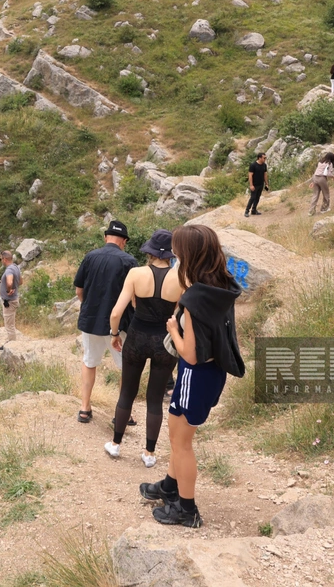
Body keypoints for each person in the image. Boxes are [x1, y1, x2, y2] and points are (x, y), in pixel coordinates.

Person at [140, 225, 245, 528]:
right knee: (178, 437)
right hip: (211, 374)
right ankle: (169, 487)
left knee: (181, 443)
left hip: (195, 375)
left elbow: (190, 354)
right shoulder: (219, 286)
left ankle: (187, 510)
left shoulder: (196, 299)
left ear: (189, 255)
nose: (174, 257)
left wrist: (173, 329)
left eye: (177, 252)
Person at [105, 229, 182, 468]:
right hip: (164, 341)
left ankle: (116, 444)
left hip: (137, 337)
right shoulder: (181, 278)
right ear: (170, 254)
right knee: (155, 398)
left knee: (127, 392)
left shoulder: (136, 273)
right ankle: (149, 453)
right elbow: (181, 313)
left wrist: (115, 334)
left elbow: (116, 313)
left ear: (150, 251)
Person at [73, 220, 138, 423]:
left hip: (91, 321)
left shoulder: (90, 257)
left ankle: (84, 408)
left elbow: (79, 290)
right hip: (119, 324)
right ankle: (122, 413)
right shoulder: (129, 261)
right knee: (126, 367)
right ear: (124, 241)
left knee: (89, 361)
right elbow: (134, 299)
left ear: (105, 237)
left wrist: (89, 307)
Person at [0, 250, 22, 350]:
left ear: (5, 259)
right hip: (13, 300)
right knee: (10, 324)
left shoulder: (9, 270)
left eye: (1, 259)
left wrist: (8, 290)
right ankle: (11, 343)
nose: (1, 261)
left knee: (9, 326)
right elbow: (20, 281)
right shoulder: (16, 267)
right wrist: (4, 284)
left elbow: (9, 282)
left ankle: (12, 347)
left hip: (9, 302)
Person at [245, 153, 268, 217]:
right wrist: (251, 185)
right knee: (252, 198)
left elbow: (265, 175)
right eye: (264, 158)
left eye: (265, 158)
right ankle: (247, 211)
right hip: (254, 185)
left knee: (257, 197)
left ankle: (254, 210)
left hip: (261, 184)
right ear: (260, 158)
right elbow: (250, 175)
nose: (265, 159)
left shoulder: (264, 165)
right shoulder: (253, 165)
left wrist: (266, 184)